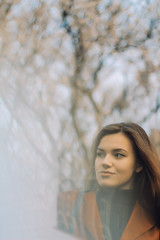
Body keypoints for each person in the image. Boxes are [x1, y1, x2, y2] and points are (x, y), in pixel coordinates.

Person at [57, 122, 160, 240]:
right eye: (100, 154)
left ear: (139, 164)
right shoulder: (67, 205)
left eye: (118, 155)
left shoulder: (154, 220)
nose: (105, 162)